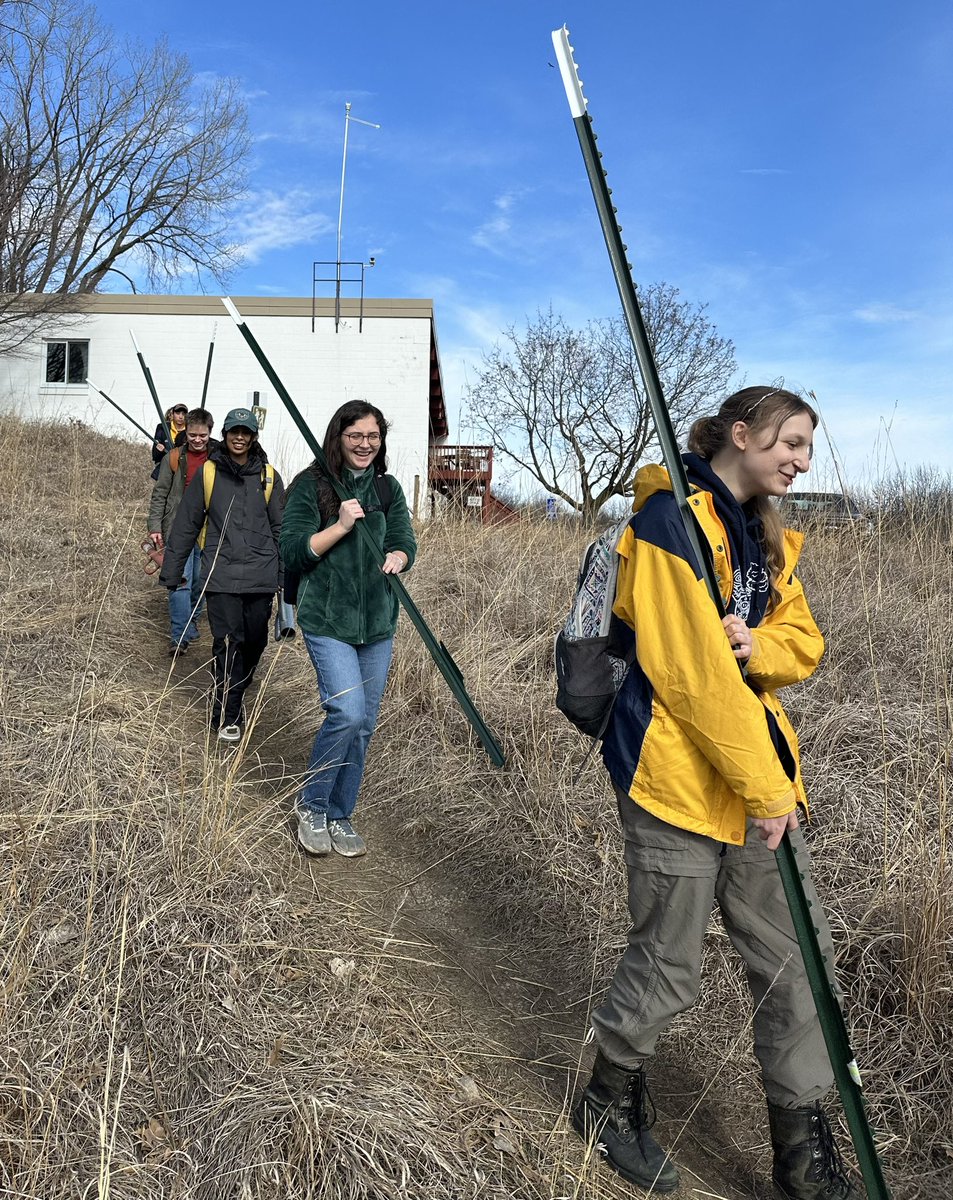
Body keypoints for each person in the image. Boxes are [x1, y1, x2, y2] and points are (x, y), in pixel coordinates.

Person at [573, 387, 852, 1200]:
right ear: (741, 433)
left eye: (807, 447)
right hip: (672, 779)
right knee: (669, 962)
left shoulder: (764, 536)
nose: (800, 459)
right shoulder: (667, 525)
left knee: (798, 964)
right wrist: (770, 791)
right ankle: (608, 1102)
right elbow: (691, 680)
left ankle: (800, 1156)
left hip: (752, 786)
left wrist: (755, 638)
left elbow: (801, 642)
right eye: (790, 442)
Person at [279, 401, 416, 858]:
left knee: (364, 725)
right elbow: (294, 551)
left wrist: (400, 556)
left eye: (373, 436)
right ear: (338, 437)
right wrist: (338, 525)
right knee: (347, 713)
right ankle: (312, 804)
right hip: (327, 620)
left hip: (377, 624)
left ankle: (340, 813)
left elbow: (403, 538)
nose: (365, 445)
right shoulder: (311, 485)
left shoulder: (388, 487)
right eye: (356, 435)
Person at [160, 407, 284, 743]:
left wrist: (285, 578)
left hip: (261, 577)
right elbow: (187, 523)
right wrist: (173, 571)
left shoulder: (269, 477)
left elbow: (281, 529)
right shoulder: (209, 473)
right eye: (234, 432)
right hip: (221, 574)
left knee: (255, 644)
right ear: (225, 434)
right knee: (229, 643)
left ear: (253, 436)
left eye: (246, 432)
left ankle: (238, 693)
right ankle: (226, 713)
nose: (239, 437)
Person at [146, 408, 216, 657]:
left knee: (201, 581)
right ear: (186, 431)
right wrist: (155, 526)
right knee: (180, 582)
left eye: (203, 435)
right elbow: (160, 494)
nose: (197, 440)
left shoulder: (218, 459)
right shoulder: (174, 458)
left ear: (210, 432)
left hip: (209, 530)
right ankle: (179, 636)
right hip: (178, 528)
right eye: (193, 435)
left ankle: (192, 622)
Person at [151, 404, 188, 478]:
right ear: (172, 414)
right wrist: (159, 450)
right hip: (164, 470)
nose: (180, 417)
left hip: (182, 472)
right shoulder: (162, 427)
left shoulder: (190, 430)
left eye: (183, 414)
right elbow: (155, 455)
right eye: (177, 413)